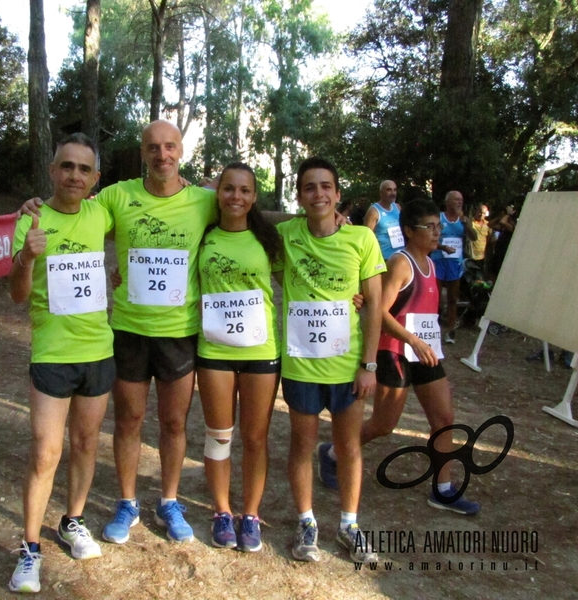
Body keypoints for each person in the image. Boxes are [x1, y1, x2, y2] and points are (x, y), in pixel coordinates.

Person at [20, 120, 218, 545]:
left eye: (169, 146)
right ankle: (127, 502)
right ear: (142, 153)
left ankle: (169, 501)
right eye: (152, 148)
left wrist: (331, 219)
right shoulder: (115, 196)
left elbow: (248, 215)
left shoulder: (205, 200)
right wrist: (32, 207)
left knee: (173, 421)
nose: (161, 155)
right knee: (128, 420)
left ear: (181, 149)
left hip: (179, 331)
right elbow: (72, 211)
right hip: (127, 329)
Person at [318, 199, 480, 516]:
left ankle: (443, 490)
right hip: (394, 351)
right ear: (408, 231)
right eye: (429, 227)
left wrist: (423, 341)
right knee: (383, 424)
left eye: (438, 226)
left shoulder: (431, 264)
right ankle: (333, 452)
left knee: (444, 419)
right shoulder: (400, 264)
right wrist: (411, 339)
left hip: (425, 351)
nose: (437, 232)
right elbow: (378, 309)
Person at [8, 134, 113, 594]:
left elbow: (156, 200)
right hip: (52, 353)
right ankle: (30, 549)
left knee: (87, 443)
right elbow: (17, 295)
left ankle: (73, 522)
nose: (74, 175)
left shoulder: (101, 211)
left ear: (95, 179)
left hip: (99, 351)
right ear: (52, 171)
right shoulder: (31, 220)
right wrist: (27, 257)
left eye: (83, 169)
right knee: (45, 452)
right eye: (66, 166)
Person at [277, 157, 384, 564]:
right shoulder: (287, 235)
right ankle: (306, 522)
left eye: (326, 187)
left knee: (349, 447)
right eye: (309, 187)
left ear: (338, 194)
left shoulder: (362, 240)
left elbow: (373, 304)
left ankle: (349, 525)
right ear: (300, 196)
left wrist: (369, 364)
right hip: (302, 366)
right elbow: (251, 220)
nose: (318, 193)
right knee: (302, 445)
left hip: (348, 367)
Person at [196, 162, 283, 552]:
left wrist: (353, 296)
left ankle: (250, 513)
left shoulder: (268, 240)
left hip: (260, 352)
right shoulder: (202, 235)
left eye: (244, 191)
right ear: (218, 192)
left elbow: (299, 283)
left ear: (254, 197)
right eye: (228, 189)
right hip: (213, 350)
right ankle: (221, 511)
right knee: (219, 436)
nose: (236, 197)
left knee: (255, 436)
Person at [430, 191, 477, 344]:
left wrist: (465, 223)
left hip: (455, 262)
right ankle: (432, 327)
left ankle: (451, 330)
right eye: (456, 199)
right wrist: (442, 247)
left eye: (461, 200)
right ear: (447, 202)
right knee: (435, 297)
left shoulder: (463, 219)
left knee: (452, 298)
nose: (459, 202)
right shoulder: (439, 218)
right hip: (439, 259)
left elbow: (474, 237)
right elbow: (429, 239)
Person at [364, 180, 404, 260]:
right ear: (381, 192)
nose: (393, 193)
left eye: (394, 190)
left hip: (400, 255)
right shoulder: (374, 211)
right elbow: (367, 237)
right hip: (384, 258)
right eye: (389, 190)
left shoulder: (397, 207)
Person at [466, 203, 491, 283]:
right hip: (470, 256)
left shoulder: (488, 225)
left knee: (480, 280)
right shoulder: (470, 223)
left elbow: (489, 241)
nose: (481, 214)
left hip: (482, 258)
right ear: (476, 211)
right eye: (480, 212)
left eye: (483, 213)